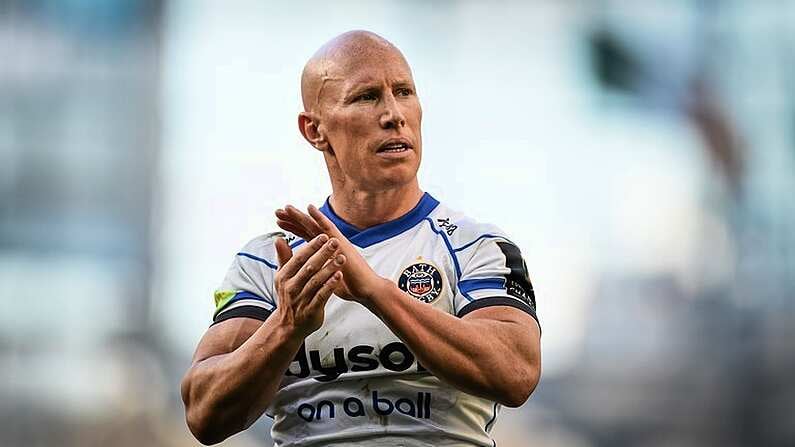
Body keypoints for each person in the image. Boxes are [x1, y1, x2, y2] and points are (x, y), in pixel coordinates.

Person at [181, 30, 541, 447]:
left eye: (403, 92)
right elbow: (203, 414)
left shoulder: (475, 246)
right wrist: (286, 325)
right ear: (314, 130)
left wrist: (374, 291)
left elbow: (516, 373)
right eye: (367, 97)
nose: (393, 114)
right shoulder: (269, 262)